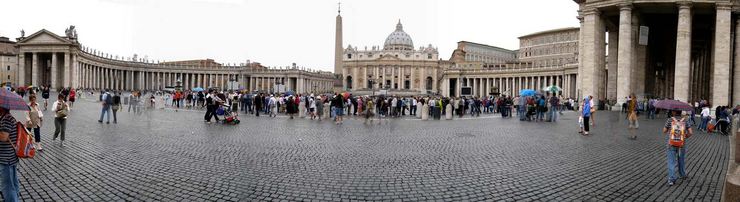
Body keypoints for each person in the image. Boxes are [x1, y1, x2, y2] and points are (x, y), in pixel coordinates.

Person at [664, 110, 692, 186]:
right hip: (682, 144)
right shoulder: (685, 120)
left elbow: (664, 131)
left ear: (674, 112)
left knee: (671, 162)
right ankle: (682, 174)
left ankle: (671, 179)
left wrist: (670, 130)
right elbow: (690, 132)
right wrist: (685, 136)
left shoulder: (670, 120)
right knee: (681, 160)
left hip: (671, 144)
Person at [0, 105, 20, 201]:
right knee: (13, 182)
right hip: (10, 157)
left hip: (6, 158)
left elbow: (3, 137)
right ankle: (14, 199)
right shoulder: (6, 117)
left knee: (7, 185)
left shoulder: (7, 119)